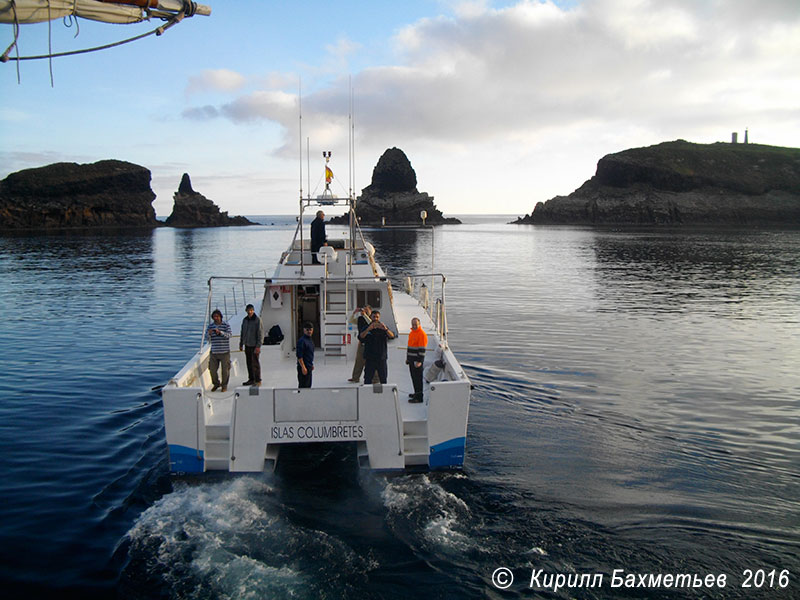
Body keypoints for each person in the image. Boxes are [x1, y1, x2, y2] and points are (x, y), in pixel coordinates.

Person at [360, 310, 395, 384]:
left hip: (381, 358)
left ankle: (382, 394)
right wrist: (368, 329)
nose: (375, 318)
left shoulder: (383, 327)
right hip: (370, 358)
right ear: (371, 317)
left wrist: (386, 329)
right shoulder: (366, 327)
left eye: (377, 317)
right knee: (368, 379)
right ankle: (368, 394)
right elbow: (361, 337)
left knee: (383, 378)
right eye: (374, 317)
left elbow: (392, 336)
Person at [205, 309, 232, 392]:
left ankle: (224, 386)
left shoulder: (226, 325)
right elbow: (207, 339)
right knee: (212, 370)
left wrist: (220, 332)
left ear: (220, 317)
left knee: (225, 371)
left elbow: (229, 335)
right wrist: (209, 334)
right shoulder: (210, 326)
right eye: (214, 317)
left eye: (217, 316)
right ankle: (216, 384)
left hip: (224, 352)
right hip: (214, 352)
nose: (216, 318)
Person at [239, 304, 263, 386]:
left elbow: (260, 334)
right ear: (246, 311)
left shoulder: (257, 320)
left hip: (254, 345)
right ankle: (251, 379)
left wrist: (258, 346)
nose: (249, 312)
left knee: (255, 363)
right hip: (247, 345)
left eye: (251, 310)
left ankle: (258, 380)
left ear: (253, 310)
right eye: (248, 310)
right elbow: (242, 332)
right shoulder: (245, 320)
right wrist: (241, 343)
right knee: (248, 363)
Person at [348, 305, 372, 383]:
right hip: (362, 343)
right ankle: (355, 378)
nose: (364, 311)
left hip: (370, 344)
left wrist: (365, 315)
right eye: (363, 309)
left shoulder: (373, 318)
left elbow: (371, 323)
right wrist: (354, 313)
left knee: (371, 361)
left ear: (370, 311)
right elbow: (350, 321)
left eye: (366, 310)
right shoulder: (360, 319)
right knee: (359, 361)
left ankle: (375, 379)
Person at [406, 317, 428, 402]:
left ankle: (419, 397)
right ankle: (416, 393)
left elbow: (422, 350)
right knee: (414, 378)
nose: (414, 326)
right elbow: (410, 347)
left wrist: (419, 361)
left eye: (416, 324)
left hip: (417, 361)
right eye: (413, 324)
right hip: (411, 360)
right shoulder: (412, 333)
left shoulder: (421, 334)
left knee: (418, 379)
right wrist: (408, 359)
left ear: (419, 324)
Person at [296, 322, 315, 388]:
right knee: (303, 387)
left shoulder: (310, 340)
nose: (309, 331)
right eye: (307, 330)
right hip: (303, 368)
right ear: (304, 330)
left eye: (310, 330)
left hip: (309, 366)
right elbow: (299, 356)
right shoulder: (302, 341)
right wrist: (303, 367)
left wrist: (311, 364)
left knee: (308, 386)